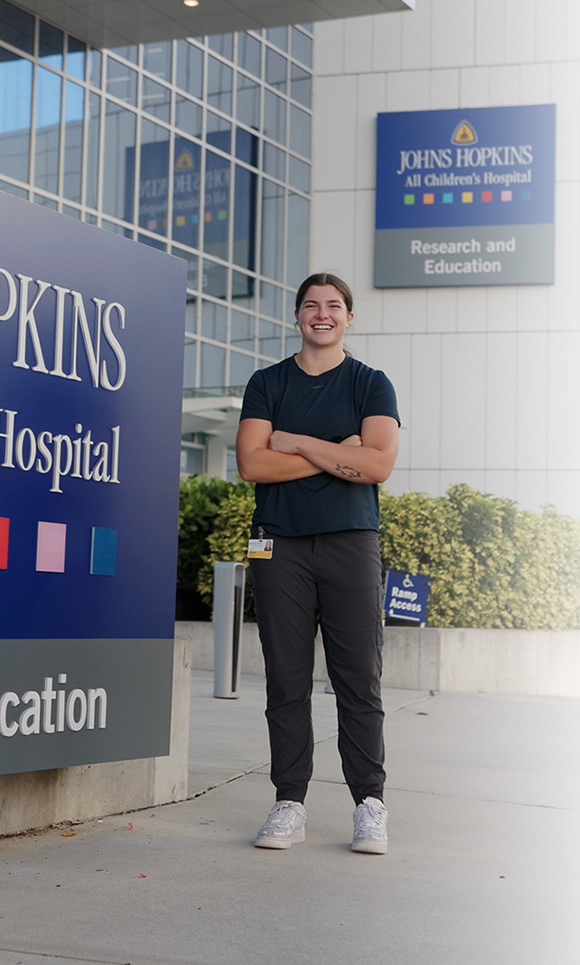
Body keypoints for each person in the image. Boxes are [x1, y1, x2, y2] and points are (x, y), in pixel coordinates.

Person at [234, 272, 400, 854]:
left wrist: (298, 443)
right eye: (311, 305)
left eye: (333, 306)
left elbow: (378, 466)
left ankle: (369, 804)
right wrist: (339, 453)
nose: (322, 314)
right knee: (286, 679)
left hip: (352, 541)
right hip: (280, 543)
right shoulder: (267, 382)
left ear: (349, 318)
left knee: (359, 678)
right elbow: (253, 466)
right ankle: (289, 802)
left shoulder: (370, 385)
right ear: (298, 315)